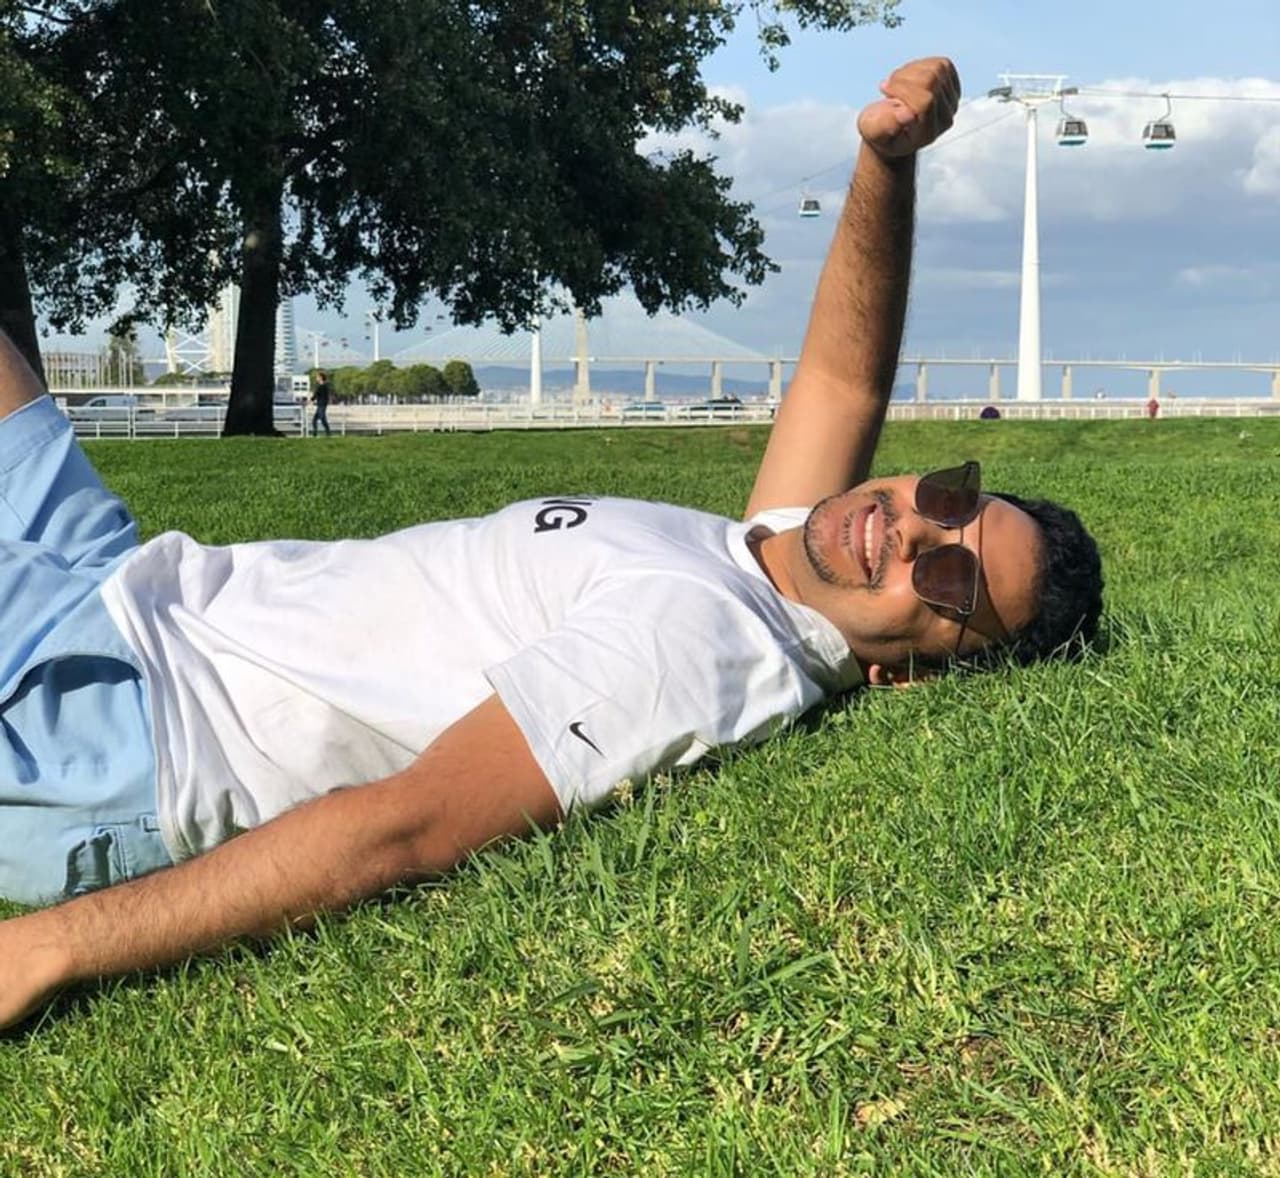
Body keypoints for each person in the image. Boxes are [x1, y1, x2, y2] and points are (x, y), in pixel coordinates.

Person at [0, 57, 1102, 1030]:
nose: (907, 528)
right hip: (136, 584)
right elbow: (842, 377)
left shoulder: (705, 646)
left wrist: (47, 948)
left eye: (944, 574)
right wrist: (887, 163)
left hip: (130, 719)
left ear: (903, 673)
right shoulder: (765, 553)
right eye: (947, 498)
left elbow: (410, 827)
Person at [311, 369, 332, 436]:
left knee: (322, 419)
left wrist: (309, 401)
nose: (316, 378)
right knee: (315, 420)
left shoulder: (322, 386)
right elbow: (316, 395)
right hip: (320, 405)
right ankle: (316, 433)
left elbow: (315, 395)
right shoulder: (324, 386)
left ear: (320, 378)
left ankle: (327, 433)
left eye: (317, 377)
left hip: (322, 405)